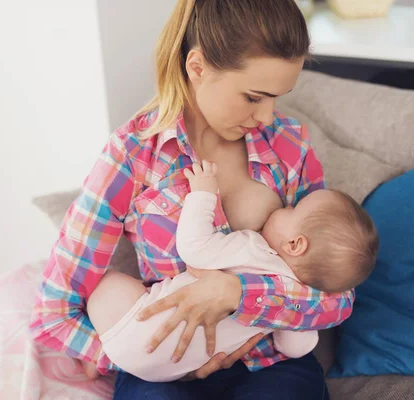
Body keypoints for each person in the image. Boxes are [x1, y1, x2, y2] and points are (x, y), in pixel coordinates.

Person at [30, 0, 356, 398]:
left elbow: (337, 295)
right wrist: (141, 359)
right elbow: (56, 309)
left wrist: (238, 293)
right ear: (197, 67)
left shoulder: (289, 146)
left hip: (268, 364)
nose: (268, 116)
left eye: (278, 97)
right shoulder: (133, 156)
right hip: (166, 372)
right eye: (254, 97)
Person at [87, 160, 378, 383]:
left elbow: (194, 247)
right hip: (173, 369)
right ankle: (108, 354)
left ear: (295, 244)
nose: (288, 203)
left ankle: (100, 354)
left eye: (294, 208)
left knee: (107, 281)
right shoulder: (294, 308)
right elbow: (295, 349)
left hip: (142, 327)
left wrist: (202, 193)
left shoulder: (254, 249)